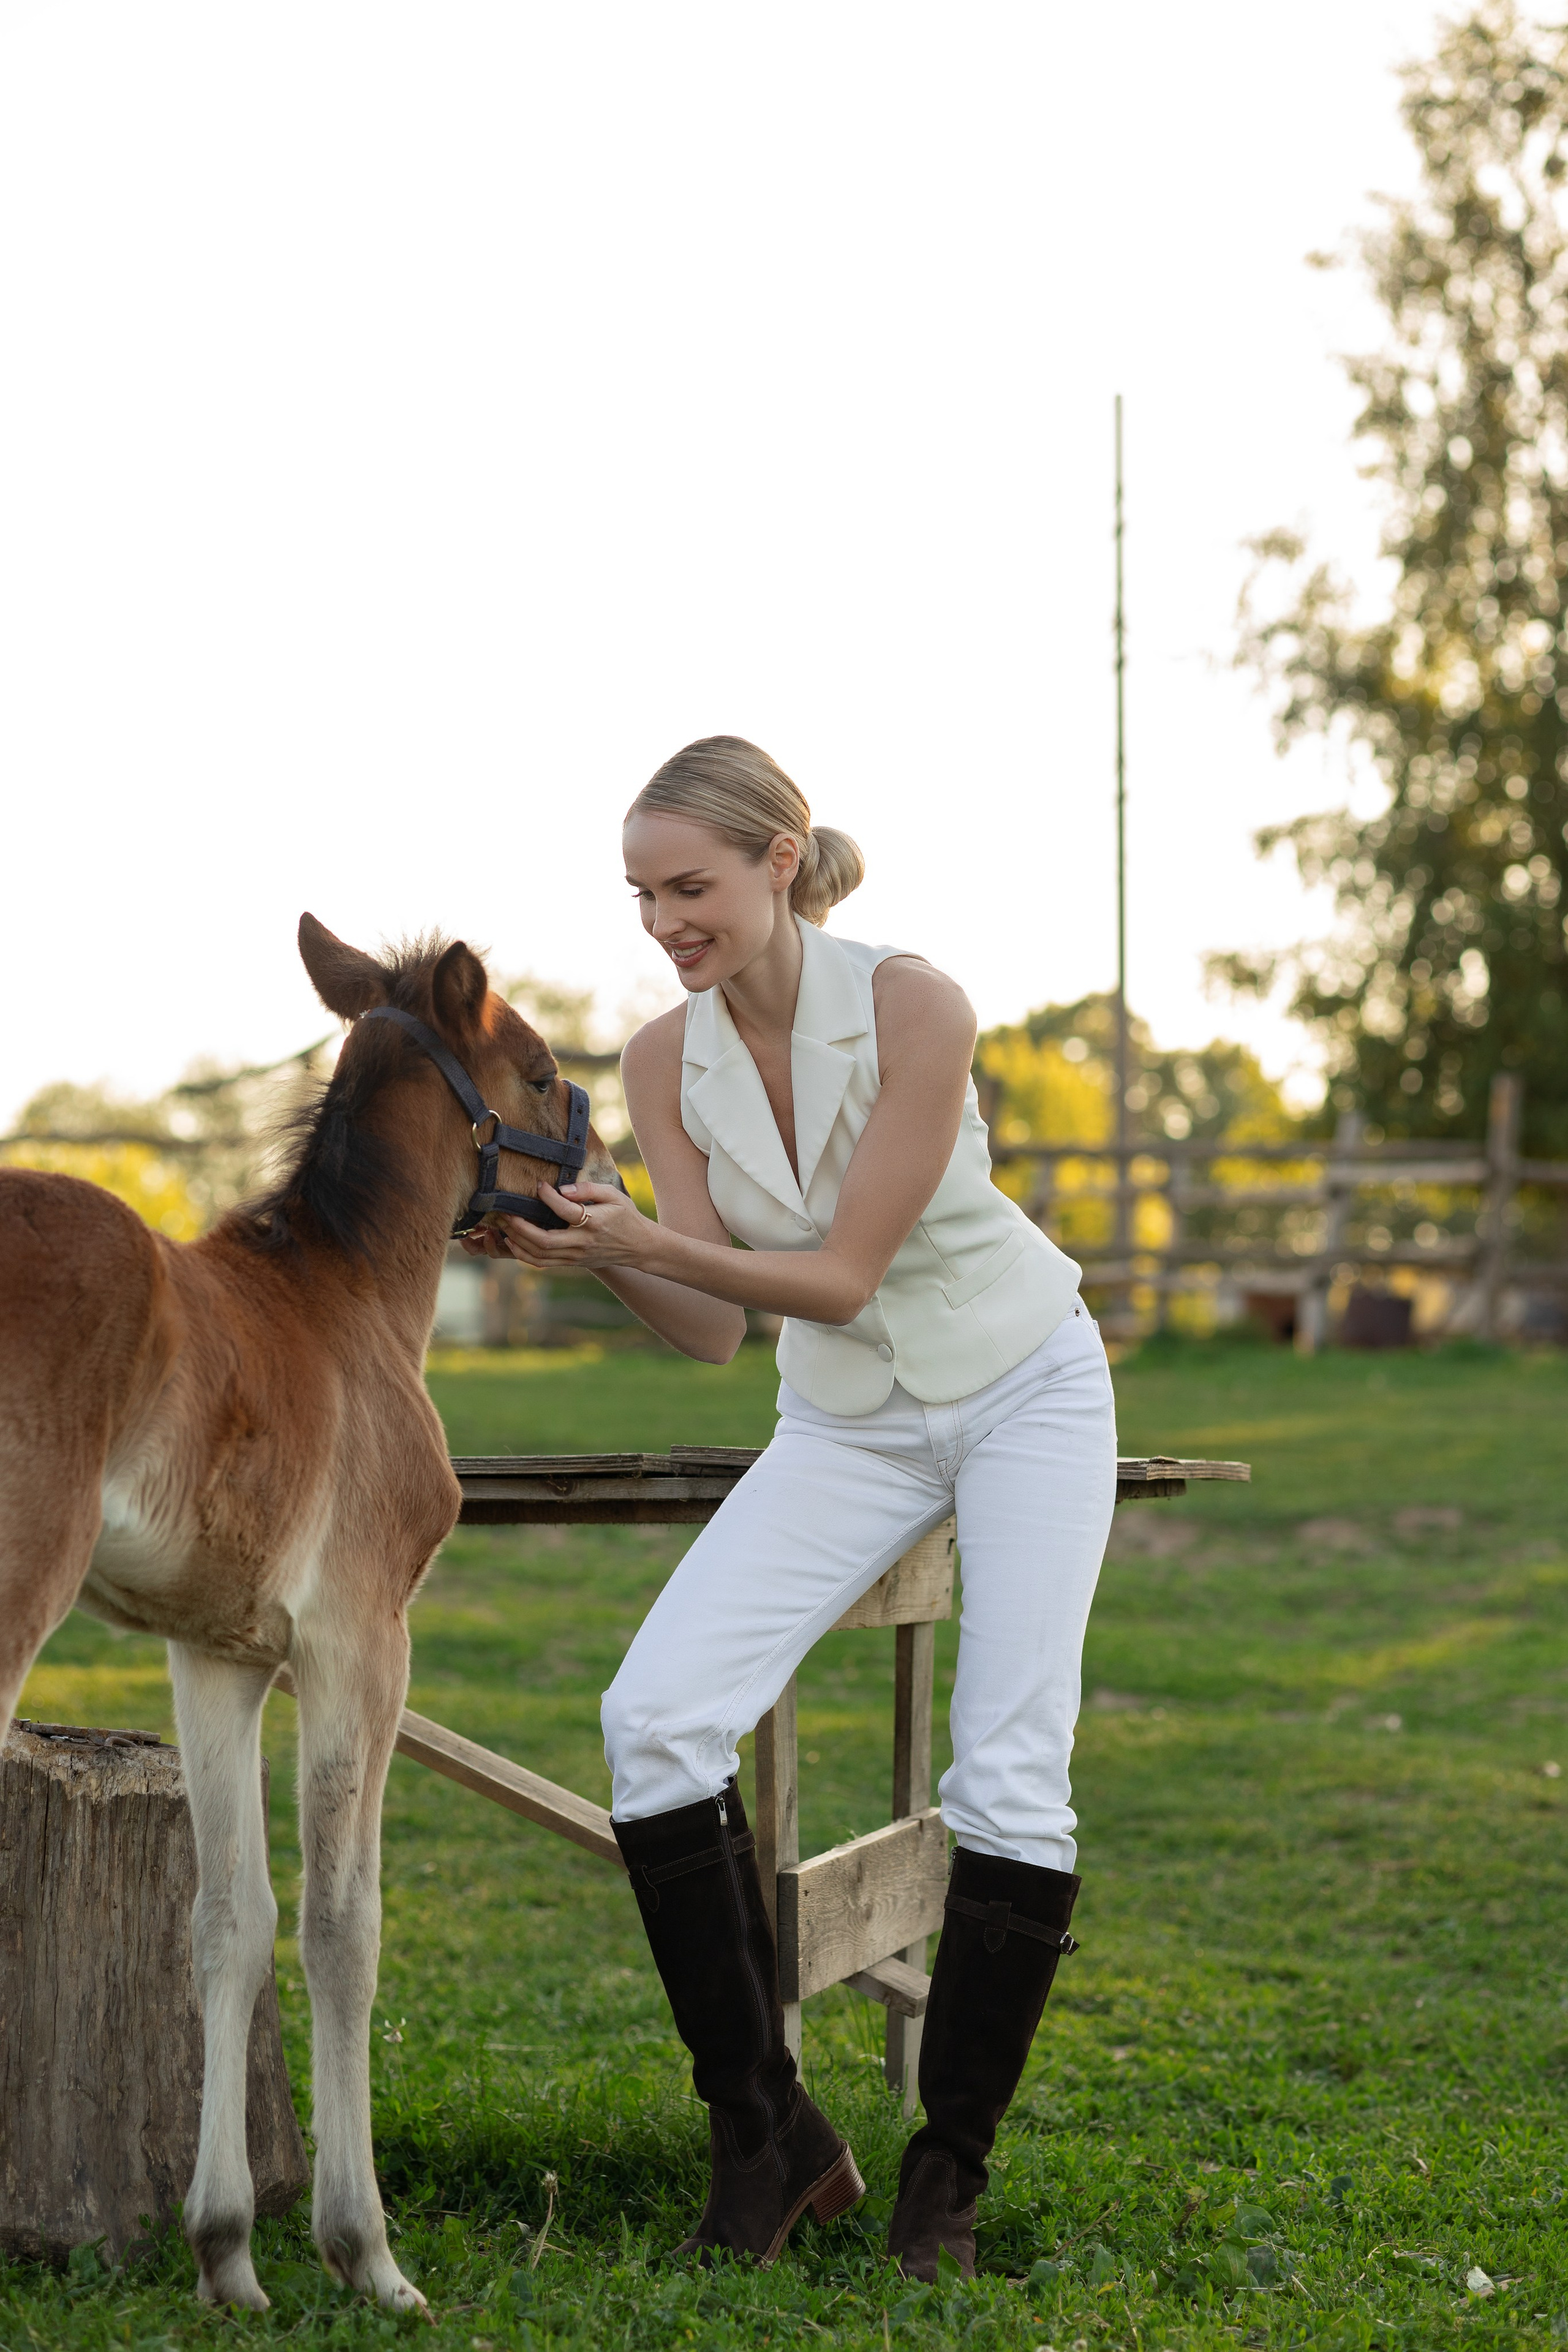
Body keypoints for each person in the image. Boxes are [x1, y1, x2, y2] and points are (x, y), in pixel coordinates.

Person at [463, 736, 1117, 2278]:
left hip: (1022, 1385)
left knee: (1008, 1775)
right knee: (653, 1723)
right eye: (639, 893)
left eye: (688, 886)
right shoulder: (655, 1062)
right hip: (846, 1424)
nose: (662, 921)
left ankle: (941, 2181)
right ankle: (767, 2136)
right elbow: (707, 1332)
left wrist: (647, 1242)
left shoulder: (913, 1005)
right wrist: (592, 1249)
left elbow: (834, 1275)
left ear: (778, 860)